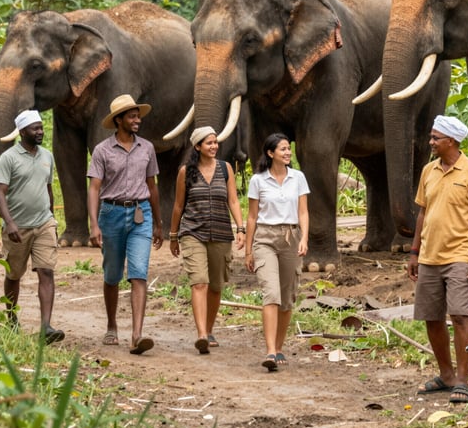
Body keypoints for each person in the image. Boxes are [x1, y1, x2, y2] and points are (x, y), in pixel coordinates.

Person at [407, 115, 468, 404]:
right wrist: (414, 252)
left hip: (460, 255)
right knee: (431, 316)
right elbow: (422, 213)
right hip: (429, 255)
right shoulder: (428, 171)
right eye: (431, 137)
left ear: (452, 142)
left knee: (459, 316)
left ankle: (464, 380)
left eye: (435, 138)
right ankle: (446, 375)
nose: (430, 142)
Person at [87, 94, 163, 355]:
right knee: (112, 275)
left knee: (139, 273)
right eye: (131, 116)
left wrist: (158, 223)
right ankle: (111, 325)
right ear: (118, 120)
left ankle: (137, 335)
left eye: (137, 115)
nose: (137, 120)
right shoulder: (102, 151)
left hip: (141, 213)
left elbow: (152, 186)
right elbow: (94, 188)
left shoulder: (148, 149)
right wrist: (94, 224)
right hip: (111, 215)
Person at [169, 126, 246, 354]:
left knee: (215, 286)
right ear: (197, 147)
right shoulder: (186, 172)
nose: (214, 146)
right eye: (209, 143)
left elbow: (233, 200)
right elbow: (178, 205)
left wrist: (241, 228)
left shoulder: (226, 169)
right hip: (193, 232)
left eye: (215, 142)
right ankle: (201, 334)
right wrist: (173, 236)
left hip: (221, 232)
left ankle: (210, 329)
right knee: (199, 282)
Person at [0, 109, 64, 344]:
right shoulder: (9, 158)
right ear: (22, 131)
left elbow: (48, 188)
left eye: (42, 127)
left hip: (43, 223)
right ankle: (12, 319)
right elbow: (0, 193)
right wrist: (10, 223)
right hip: (17, 228)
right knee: (14, 275)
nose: (40, 132)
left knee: (46, 271)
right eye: (35, 128)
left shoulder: (47, 156)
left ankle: (46, 327)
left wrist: (52, 220)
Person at [245, 133, 309, 372]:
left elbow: (303, 212)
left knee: (287, 295)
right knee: (271, 293)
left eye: (288, 149)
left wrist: (304, 237)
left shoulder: (298, 178)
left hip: (291, 238)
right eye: (283, 149)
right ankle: (270, 350)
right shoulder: (258, 180)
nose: (287, 152)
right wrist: (249, 250)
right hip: (265, 238)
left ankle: (279, 347)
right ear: (271, 153)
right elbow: (252, 217)